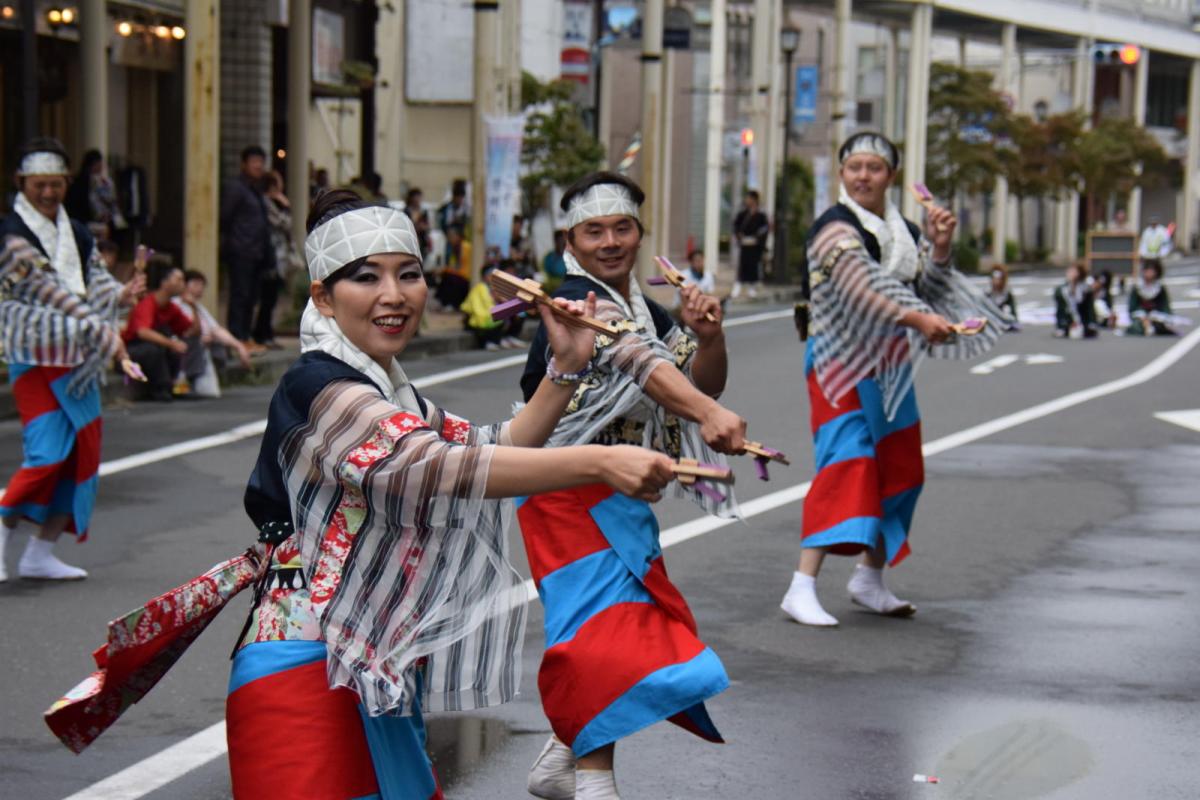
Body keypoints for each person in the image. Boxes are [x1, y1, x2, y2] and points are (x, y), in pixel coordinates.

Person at [44, 190, 676, 800]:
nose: (394, 296)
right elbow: (433, 466)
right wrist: (599, 460)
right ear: (323, 294)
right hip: (302, 670)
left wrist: (563, 372)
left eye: (409, 275)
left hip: (371, 665)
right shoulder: (319, 388)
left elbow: (494, 441)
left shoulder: (389, 392)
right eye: (367, 279)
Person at [518, 171, 746, 800]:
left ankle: (561, 756)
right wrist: (704, 414)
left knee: (618, 627)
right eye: (594, 230)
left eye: (622, 228)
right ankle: (596, 782)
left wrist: (710, 336)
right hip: (563, 486)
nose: (610, 241)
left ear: (641, 234)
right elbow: (641, 365)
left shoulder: (647, 309)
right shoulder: (577, 301)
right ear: (571, 238)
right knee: (603, 632)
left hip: (621, 487)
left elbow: (701, 382)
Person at [779, 132, 1005, 628]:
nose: (863, 176)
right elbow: (862, 291)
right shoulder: (831, 228)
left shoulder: (902, 231)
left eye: (874, 168)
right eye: (855, 166)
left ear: (892, 176)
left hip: (889, 363)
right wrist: (919, 319)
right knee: (847, 462)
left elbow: (929, 292)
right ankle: (802, 585)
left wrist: (941, 247)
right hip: (838, 361)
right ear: (842, 173)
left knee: (900, 466)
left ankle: (869, 577)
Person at [0, 137, 140, 582]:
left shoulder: (76, 231)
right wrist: (103, 330)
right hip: (36, 357)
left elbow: (93, 283)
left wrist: (119, 294)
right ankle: (1, 536)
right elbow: (51, 293)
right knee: (46, 454)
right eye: (39, 184)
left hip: (77, 360)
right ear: (22, 183)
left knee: (82, 457)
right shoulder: (10, 236)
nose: (48, 192)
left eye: (56, 184)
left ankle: (39, 552)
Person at [123, 261, 203, 401]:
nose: (183, 284)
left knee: (188, 343)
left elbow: (193, 332)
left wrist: (193, 307)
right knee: (155, 348)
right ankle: (160, 388)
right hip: (131, 351)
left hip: (156, 348)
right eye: (178, 279)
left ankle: (182, 384)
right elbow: (143, 332)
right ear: (164, 282)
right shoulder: (148, 303)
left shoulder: (171, 307)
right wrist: (171, 344)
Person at [220, 145, 272, 349]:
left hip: (257, 251)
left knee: (252, 296)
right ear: (244, 164)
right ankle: (236, 336)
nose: (258, 166)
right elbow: (225, 217)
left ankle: (245, 335)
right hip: (241, 250)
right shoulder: (235, 187)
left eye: (261, 161)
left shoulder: (255, 189)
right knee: (240, 295)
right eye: (254, 161)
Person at [174, 269, 252, 397]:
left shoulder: (199, 306)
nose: (200, 288)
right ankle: (188, 381)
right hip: (185, 345)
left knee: (219, 342)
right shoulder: (175, 304)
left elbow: (216, 329)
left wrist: (239, 346)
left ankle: (201, 377)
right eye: (196, 284)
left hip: (203, 346)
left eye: (201, 285)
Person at [257, 170, 300, 349]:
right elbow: (283, 223)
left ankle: (265, 332)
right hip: (271, 255)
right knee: (268, 296)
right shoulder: (266, 203)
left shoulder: (269, 203)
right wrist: (286, 206)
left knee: (272, 297)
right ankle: (262, 333)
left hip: (278, 255)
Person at [64, 149, 126, 241]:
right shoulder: (84, 181)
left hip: (95, 217)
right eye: (99, 163)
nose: (101, 167)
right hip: (84, 220)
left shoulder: (101, 181)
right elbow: (90, 202)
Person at [461, 262, 509, 351]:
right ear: (484, 276)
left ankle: (497, 340)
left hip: (484, 315)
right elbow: (484, 306)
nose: (492, 278)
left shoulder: (490, 288)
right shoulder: (480, 288)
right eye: (490, 275)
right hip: (477, 318)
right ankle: (490, 342)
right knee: (496, 319)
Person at [731, 189, 769, 298]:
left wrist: (758, 238)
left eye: (749, 198)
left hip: (755, 244)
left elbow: (764, 228)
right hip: (744, 244)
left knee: (753, 265)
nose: (747, 200)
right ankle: (738, 284)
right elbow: (736, 225)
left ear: (754, 200)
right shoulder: (743, 214)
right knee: (742, 265)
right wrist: (739, 234)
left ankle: (752, 286)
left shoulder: (761, 215)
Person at [1126, 260, 1177, 336]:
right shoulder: (1137, 287)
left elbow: (1165, 306)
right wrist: (1141, 314)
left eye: (1151, 271)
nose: (1148, 273)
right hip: (1140, 315)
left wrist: (1162, 315)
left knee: (1160, 326)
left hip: (1156, 315)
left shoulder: (1160, 288)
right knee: (1137, 327)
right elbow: (1132, 306)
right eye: (1146, 271)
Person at [1054, 261, 1098, 339]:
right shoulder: (1061, 290)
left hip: (1082, 319)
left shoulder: (1086, 289)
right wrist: (1061, 325)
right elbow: (1060, 310)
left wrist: (1091, 322)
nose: (1070, 273)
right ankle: (1064, 328)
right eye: (1069, 271)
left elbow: (1089, 309)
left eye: (1073, 271)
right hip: (1068, 319)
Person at [434, 223, 471, 311]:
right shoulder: (455, 248)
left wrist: (445, 270)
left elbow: (461, 268)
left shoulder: (466, 247)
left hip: (466, 277)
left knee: (451, 278)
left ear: (458, 236)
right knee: (446, 276)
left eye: (451, 236)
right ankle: (445, 302)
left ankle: (452, 304)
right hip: (460, 275)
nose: (449, 239)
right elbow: (453, 266)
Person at [987, 265, 1019, 331]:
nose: (995, 281)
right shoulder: (988, 293)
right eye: (993, 279)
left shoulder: (1007, 293)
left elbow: (1012, 310)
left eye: (998, 279)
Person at [404, 187, 432, 259]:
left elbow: (427, 225)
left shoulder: (423, 211)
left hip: (422, 240)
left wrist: (424, 227)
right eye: (416, 197)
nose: (418, 200)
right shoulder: (407, 211)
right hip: (411, 239)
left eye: (419, 197)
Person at [542, 229, 568, 293]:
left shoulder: (573, 256)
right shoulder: (549, 257)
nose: (562, 243)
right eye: (560, 240)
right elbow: (545, 276)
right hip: (553, 291)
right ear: (555, 241)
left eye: (564, 241)